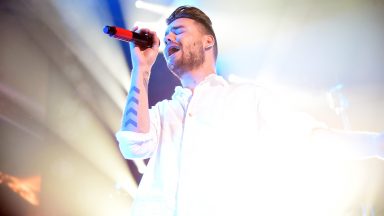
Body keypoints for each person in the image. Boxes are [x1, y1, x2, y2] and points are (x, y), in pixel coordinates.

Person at [115, 5, 384, 216]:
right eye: (167, 33)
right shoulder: (163, 113)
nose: (169, 36)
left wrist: (377, 143)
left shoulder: (248, 97)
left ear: (208, 42)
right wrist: (142, 67)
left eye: (179, 30)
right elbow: (134, 145)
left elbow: (310, 138)